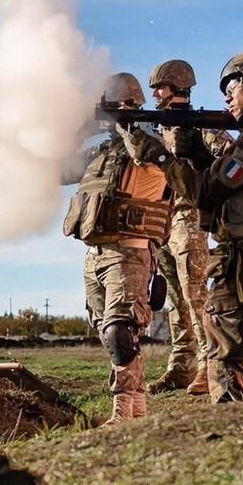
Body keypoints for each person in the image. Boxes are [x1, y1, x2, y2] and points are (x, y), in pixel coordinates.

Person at [121, 52, 243, 402]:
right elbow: (235, 183)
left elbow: (204, 191)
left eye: (233, 88)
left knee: (228, 370)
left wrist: (158, 155)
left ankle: (233, 432)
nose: (227, 98)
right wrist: (196, 152)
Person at [62, 73, 172, 425]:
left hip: (129, 253)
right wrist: (79, 129)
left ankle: (122, 411)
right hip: (95, 255)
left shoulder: (150, 144)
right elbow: (60, 170)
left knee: (119, 331)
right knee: (109, 334)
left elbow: (149, 154)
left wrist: (128, 123)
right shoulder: (101, 153)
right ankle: (136, 407)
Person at [146, 60, 233, 397]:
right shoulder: (159, 128)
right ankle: (182, 365)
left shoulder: (199, 124)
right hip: (163, 221)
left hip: (190, 219)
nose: (155, 93)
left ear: (179, 86)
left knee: (194, 293)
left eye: (161, 87)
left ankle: (209, 365)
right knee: (174, 298)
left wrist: (205, 182)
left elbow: (230, 154)